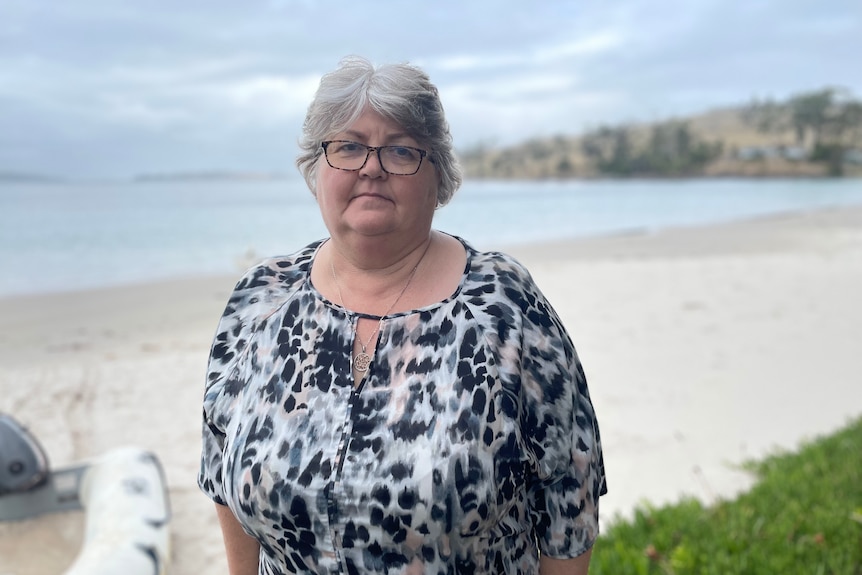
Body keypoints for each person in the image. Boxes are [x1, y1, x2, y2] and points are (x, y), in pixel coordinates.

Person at [199, 55, 607, 575]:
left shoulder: (502, 305)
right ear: (315, 169)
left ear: (437, 176)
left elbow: (570, 494)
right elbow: (219, 463)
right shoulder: (260, 298)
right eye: (347, 146)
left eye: (400, 150)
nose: (371, 166)